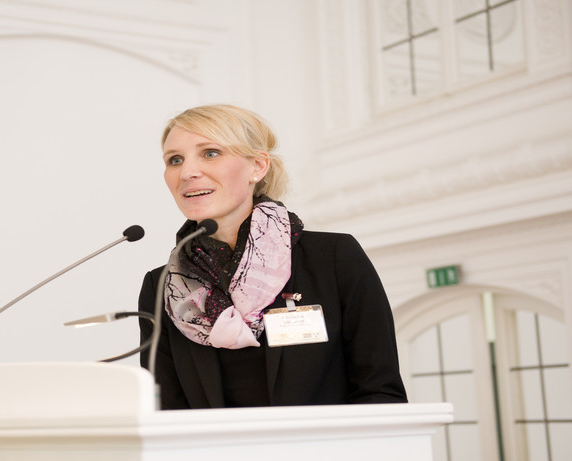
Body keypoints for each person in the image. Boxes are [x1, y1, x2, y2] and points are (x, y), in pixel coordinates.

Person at [138, 104, 407, 410]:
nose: (187, 172)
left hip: (328, 454)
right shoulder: (163, 286)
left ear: (258, 167)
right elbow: (166, 412)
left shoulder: (334, 258)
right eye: (175, 160)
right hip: (217, 457)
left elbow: (380, 391)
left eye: (210, 153)